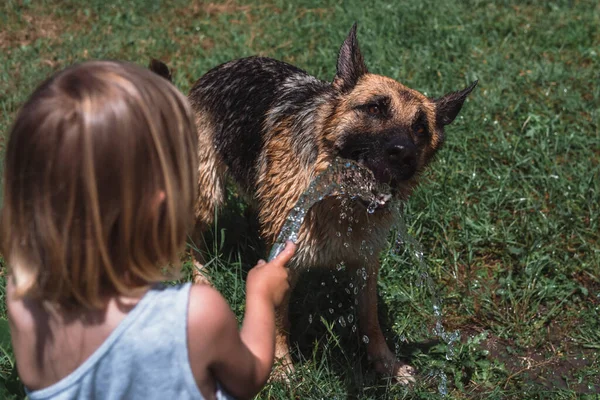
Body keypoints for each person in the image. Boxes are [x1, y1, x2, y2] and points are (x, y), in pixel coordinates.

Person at [0, 60, 296, 400]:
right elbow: (250, 376)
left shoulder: (24, 300)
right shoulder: (195, 316)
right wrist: (260, 298)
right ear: (160, 207)